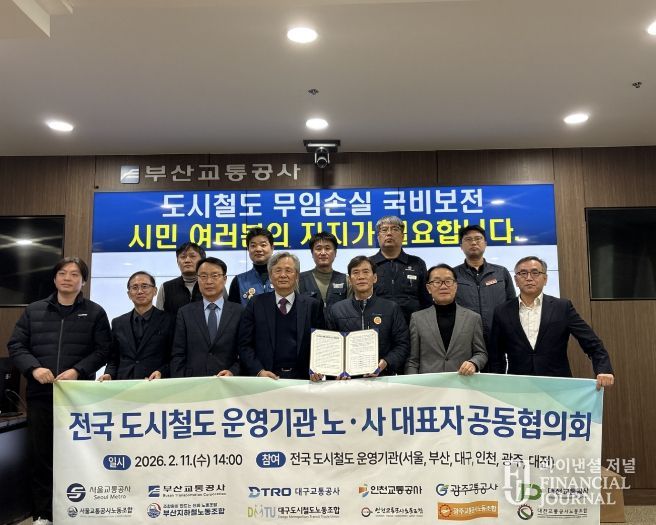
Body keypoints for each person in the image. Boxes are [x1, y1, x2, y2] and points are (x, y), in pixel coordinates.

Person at [7, 257, 112, 525]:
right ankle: (44, 514)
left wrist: (78, 370)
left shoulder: (95, 312)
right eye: (63, 273)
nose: (68, 278)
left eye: (75, 274)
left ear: (83, 281)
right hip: (41, 395)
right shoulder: (34, 310)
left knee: (80, 453)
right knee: (41, 455)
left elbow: (103, 350)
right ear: (54, 279)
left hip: (78, 397)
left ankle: (81, 510)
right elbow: (16, 345)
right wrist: (34, 369)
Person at [488, 256, 615, 390]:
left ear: (545, 279)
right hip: (518, 387)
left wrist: (604, 369)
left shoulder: (562, 307)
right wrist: (497, 385)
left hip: (557, 385)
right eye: (523, 273)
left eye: (535, 272)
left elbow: (592, 343)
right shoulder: (502, 311)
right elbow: (496, 355)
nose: (529, 278)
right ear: (516, 280)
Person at [239, 252, 324, 379]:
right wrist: (259, 371)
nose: (283, 275)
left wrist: (317, 369)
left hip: (304, 380)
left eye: (288, 270)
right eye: (278, 270)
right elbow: (244, 344)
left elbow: (321, 343)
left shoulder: (312, 305)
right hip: (267, 380)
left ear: (297, 276)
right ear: (270, 276)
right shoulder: (256, 304)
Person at [325, 255, 409, 378]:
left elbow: (402, 344)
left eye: (366, 272)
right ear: (349, 280)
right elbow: (329, 348)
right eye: (356, 273)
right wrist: (337, 371)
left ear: (375, 278)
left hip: (382, 379)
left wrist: (386, 362)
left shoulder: (391, 308)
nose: (361, 277)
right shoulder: (336, 310)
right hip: (347, 382)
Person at [406, 264, 486, 375]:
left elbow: (481, 353)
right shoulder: (417, 319)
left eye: (448, 281)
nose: (443, 286)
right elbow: (412, 361)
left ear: (456, 286)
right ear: (429, 288)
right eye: (437, 282)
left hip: (462, 381)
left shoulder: (473, 318)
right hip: (428, 383)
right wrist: (412, 383)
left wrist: (473, 363)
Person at [171, 257, 242, 377]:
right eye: (203, 276)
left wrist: (233, 371)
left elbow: (245, 351)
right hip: (193, 382)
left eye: (215, 276)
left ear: (224, 279)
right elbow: (178, 354)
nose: (209, 281)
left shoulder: (239, 312)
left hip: (228, 382)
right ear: (197, 279)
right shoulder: (185, 313)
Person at [99, 271, 174, 381]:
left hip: (155, 384)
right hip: (124, 384)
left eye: (145, 286)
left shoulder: (169, 320)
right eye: (134, 287)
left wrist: (162, 372)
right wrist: (109, 374)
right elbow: (113, 359)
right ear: (129, 294)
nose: (140, 291)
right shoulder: (118, 323)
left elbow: (175, 357)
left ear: (155, 291)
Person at [453, 225, 515, 343]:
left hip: (498, 337)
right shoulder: (453, 275)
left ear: (485, 243)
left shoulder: (501, 272)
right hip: (465, 339)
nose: (473, 242)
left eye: (478, 238)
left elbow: (512, 304)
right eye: (468, 239)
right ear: (461, 246)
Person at [369, 215, 431, 325]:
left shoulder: (417, 263)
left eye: (395, 229)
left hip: (412, 325)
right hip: (377, 325)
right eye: (384, 230)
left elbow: (426, 300)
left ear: (402, 236)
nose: (389, 233)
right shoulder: (368, 264)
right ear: (378, 237)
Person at [298, 231, 350, 307]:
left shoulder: (346, 280)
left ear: (335, 252)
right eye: (318, 249)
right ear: (312, 253)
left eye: (327, 248)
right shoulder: (299, 280)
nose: (323, 253)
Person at [156, 241, 206, 317]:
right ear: (177, 262)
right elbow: (158, 318)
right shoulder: (166, 287)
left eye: (192, 256)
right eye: (183, 257)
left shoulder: (212, 285)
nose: (187, 260)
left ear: (202, 261)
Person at [228, 227, 275, 305]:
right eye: (253, 246)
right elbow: (232, 311)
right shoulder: (239, 281)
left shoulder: (283, 277)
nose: (258, 249)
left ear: (272, 248)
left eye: (263, 245)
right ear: (248, 249)